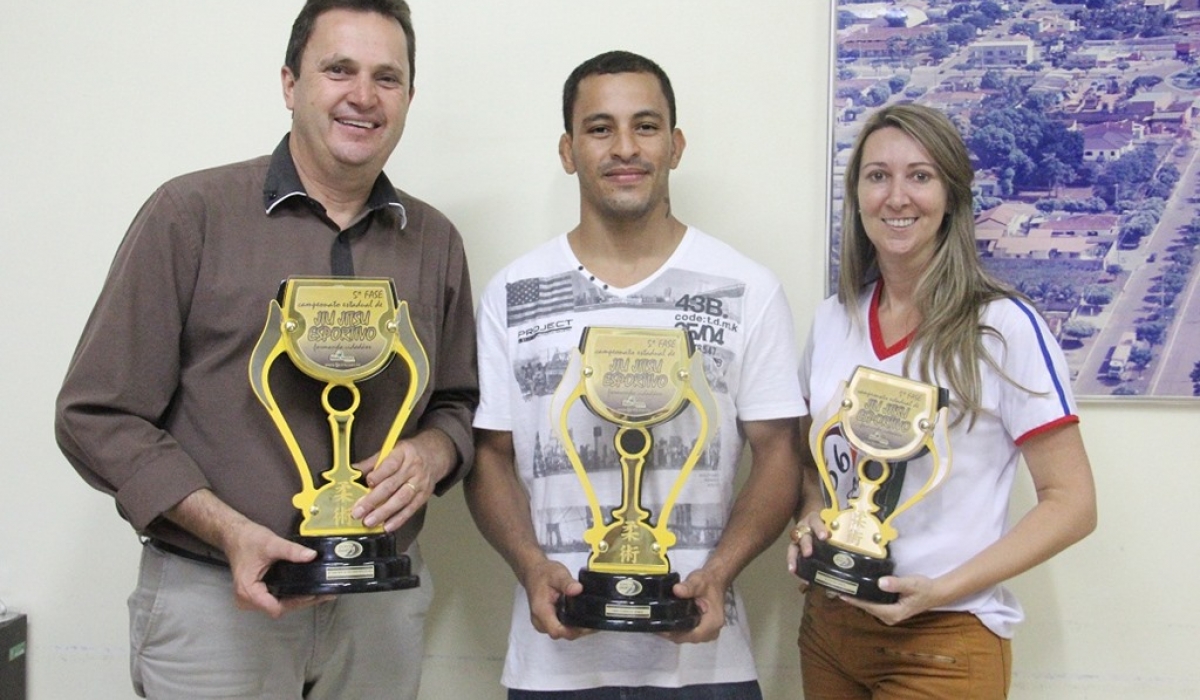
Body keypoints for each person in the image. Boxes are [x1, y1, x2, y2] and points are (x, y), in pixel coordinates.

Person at [53, 1, 477, 698]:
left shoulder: (434, 241)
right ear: (289, 84)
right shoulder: (190, 215)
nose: (363, 96)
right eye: (338, 70)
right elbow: (96, 414)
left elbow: (458, 401)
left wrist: (434, 453)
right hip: (215, 600)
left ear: (408, 96)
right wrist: (225, 529)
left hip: (379, 607)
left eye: (387, 77)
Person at [466, 50, 805, 699]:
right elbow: (491, 456)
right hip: (554, 661)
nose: (625, 147)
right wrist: (532, 566)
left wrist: (720, 572)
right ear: (567, 150)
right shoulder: (513, 292)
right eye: (600, 128)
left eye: (645, 126)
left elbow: (780, 452)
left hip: (705, 664)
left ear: (675, 145)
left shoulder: (747, 289)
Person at [788, 103, 1097, 699]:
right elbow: (811, 463)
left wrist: (941, 589)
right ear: (857, 197)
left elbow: (1073, 503)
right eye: (877, 176)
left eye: (920, 176)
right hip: (828, 627)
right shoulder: (833, 320)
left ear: (951, 196)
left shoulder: (1003, 328)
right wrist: (809, 517)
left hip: (942, 639)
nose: (896, 197)